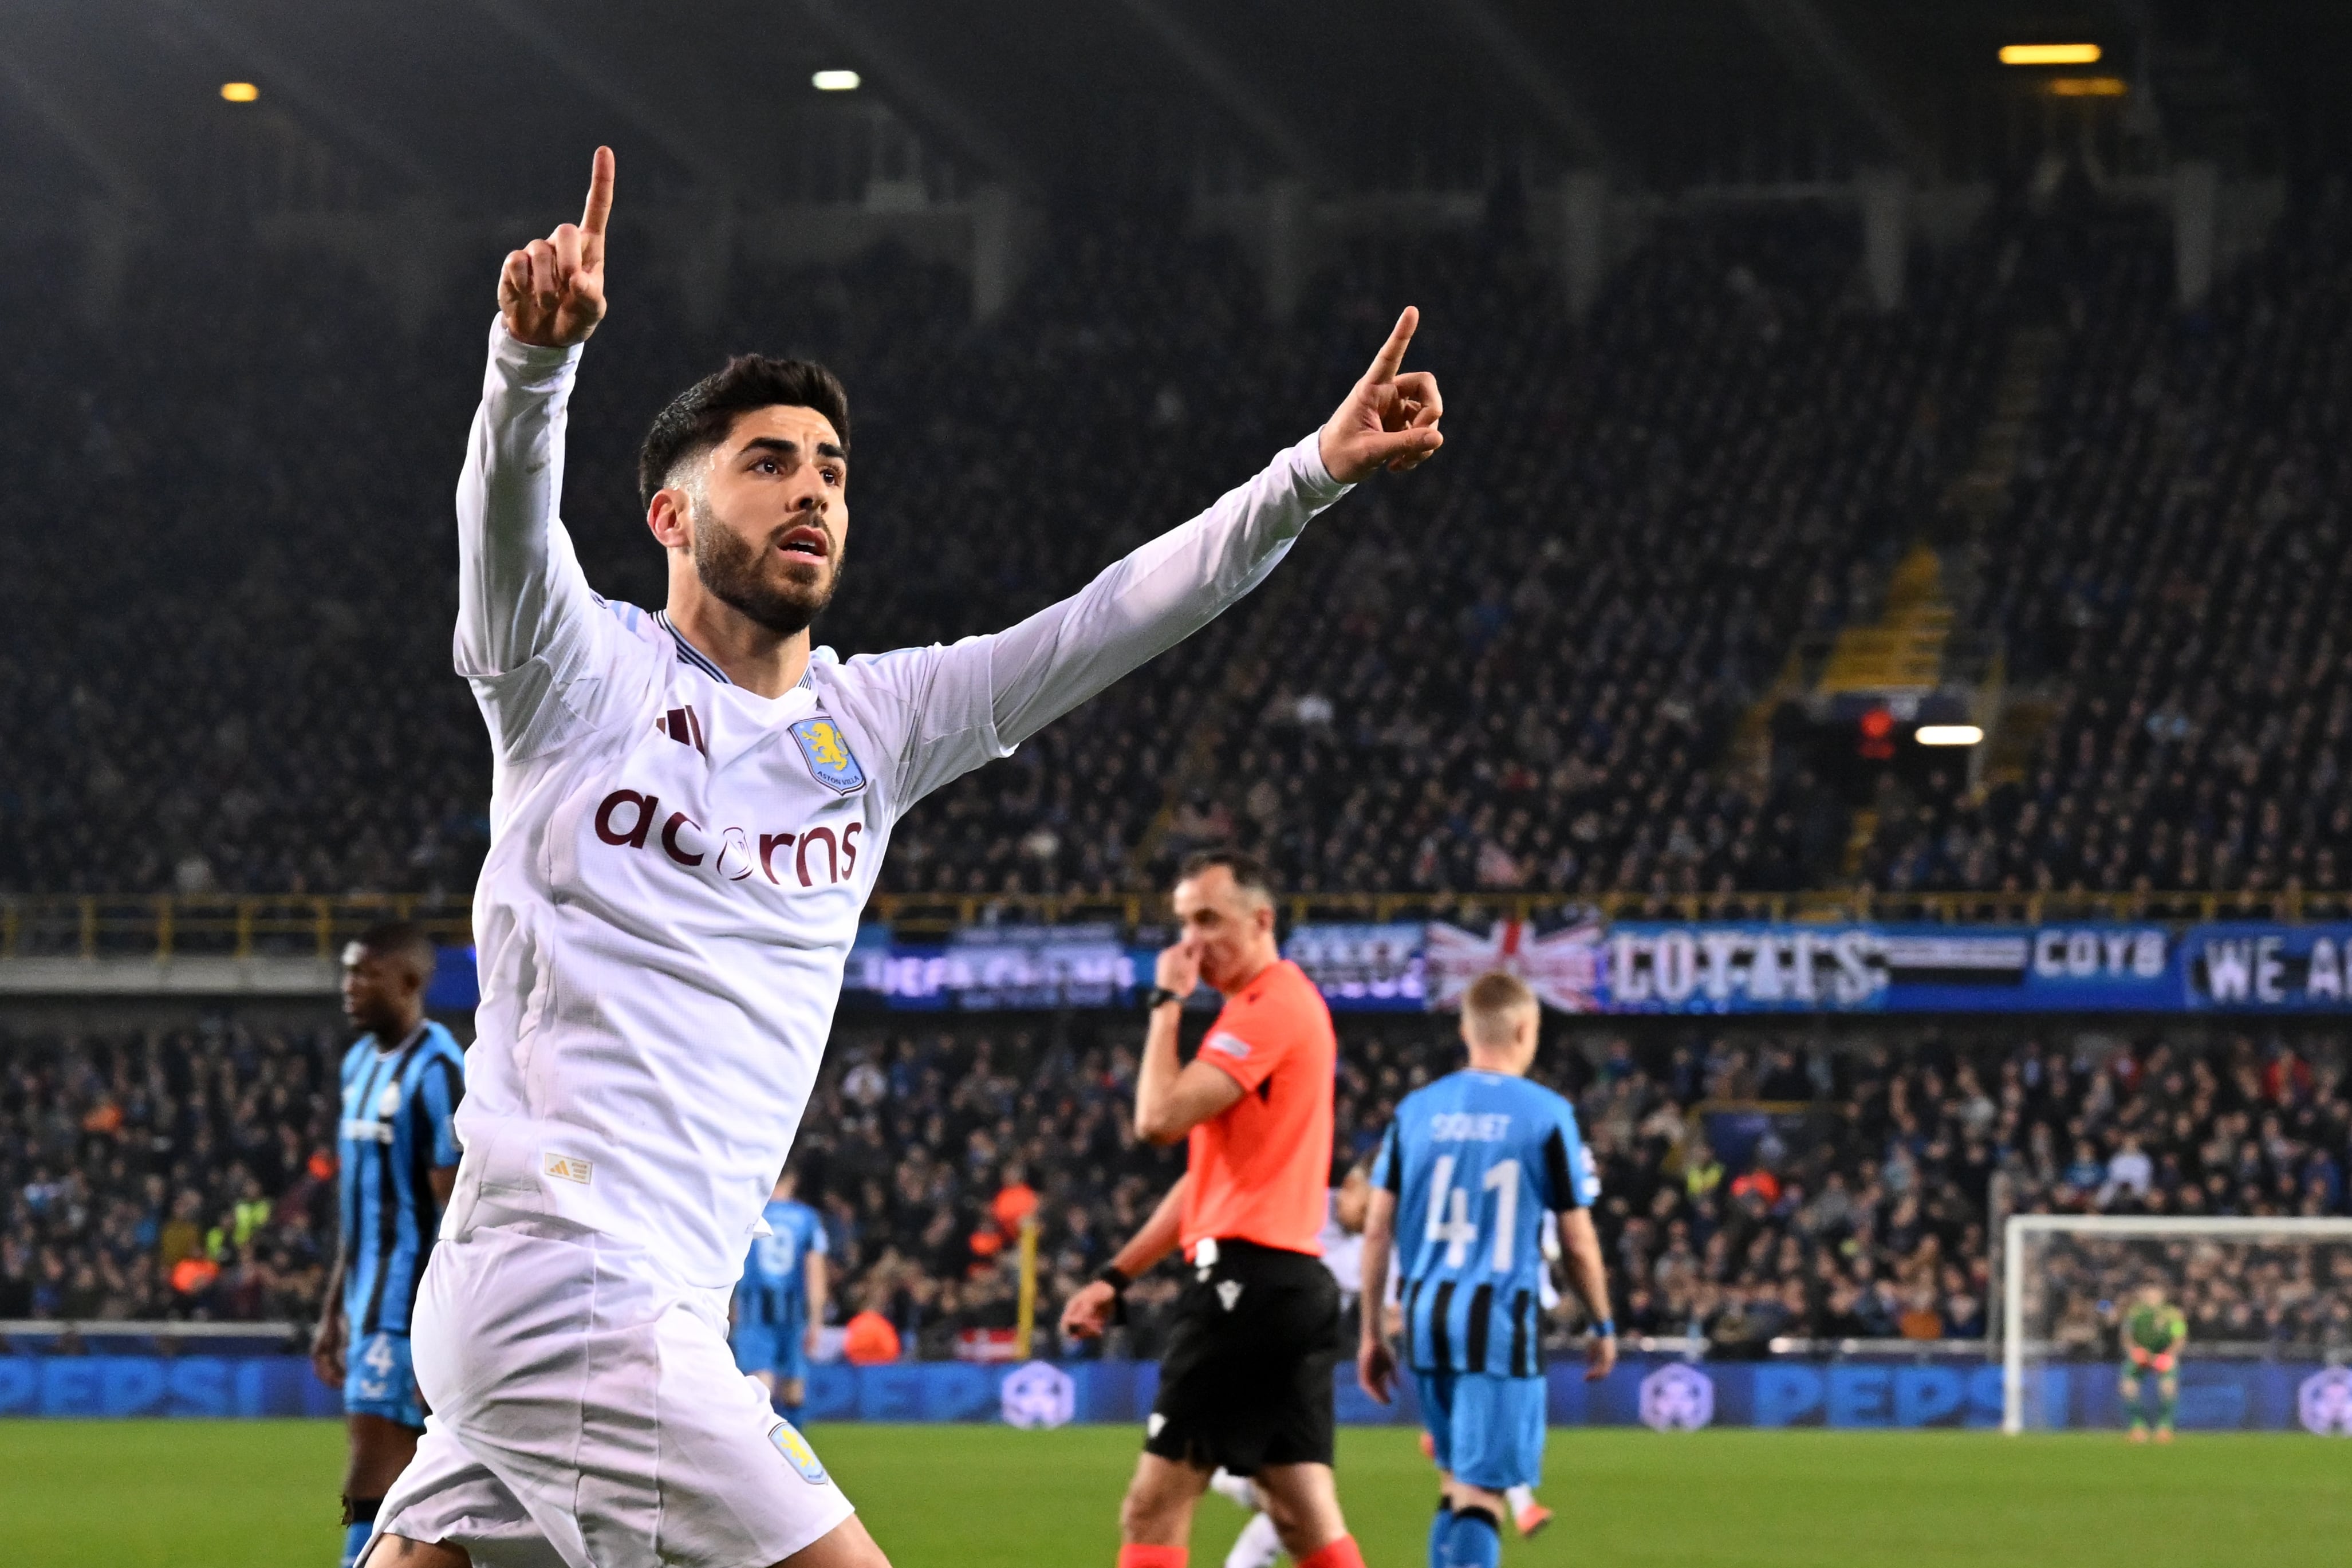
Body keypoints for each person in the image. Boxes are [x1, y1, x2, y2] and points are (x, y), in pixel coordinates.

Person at [365, 148, 1443, 1568]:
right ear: (669, 516)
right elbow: (503, 528)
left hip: (624, 1306)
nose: (810, 490)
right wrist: (531, 366)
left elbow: (1110, 616)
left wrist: (1307, 478)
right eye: (765, 462)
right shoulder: (575, 675)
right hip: (568, 1286)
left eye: (829, 468)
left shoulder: (871, 728)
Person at [1061, 851, 1369, 1568]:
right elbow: (1204, 1179)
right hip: (1287, 1284)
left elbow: (1157, 1118)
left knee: (1153, 1505)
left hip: (1245, 1285)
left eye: (1208, 919)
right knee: (1300, 1513)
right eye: (1181, 923)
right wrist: (1117, 1273)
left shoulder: (1270, 1007)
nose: (1190, 942)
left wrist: (1165, 1006)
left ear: (1261, 920)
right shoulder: (1261, 1011)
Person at [1358, 971, 1616, 1568]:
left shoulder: (1415, 1111)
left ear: (1465, 1029)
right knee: (1482, 1489)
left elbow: (1376, 1230)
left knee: (1454, 1481)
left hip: (1425, 1319)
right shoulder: (1548, 1113)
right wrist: (1602, 1323)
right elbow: (1576, 1240)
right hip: (1497, 1324)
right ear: (1526, 1029)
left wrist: (1372, 1332)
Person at [310, 922, 466, 1568]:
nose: (349, 987)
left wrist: (445, 1328)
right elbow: (359, 1203)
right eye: (347, 972)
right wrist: (334, 1306)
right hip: (368, 1301)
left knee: (373, 1469)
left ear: (409, 981)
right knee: (387, 1472)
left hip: (410, 1307)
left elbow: (457, 1208)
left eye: (364, 974)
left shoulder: (439, 1069)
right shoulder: (357, 1065)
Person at [1208, 1164, 1372, 1568]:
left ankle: (1234, 1482)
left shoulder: (1378, 1240)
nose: (1374, 1219)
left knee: (1297, 1503)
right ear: (1350, 1186)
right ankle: (1232, 1476)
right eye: (1368, 1208)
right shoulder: (1304, 1206)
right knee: (1305, 1499)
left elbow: (1386, 1303)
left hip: (1306, 1372)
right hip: (1259, 1356)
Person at [734, 1170, 829, 1419]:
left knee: (759, 1387)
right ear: (792, 1181)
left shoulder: (749, 1214)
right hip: (794, 1313)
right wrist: (817, 1321)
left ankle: (758, 1454)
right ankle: (791, 1455)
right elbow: (815, 1274)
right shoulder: (807, 1219)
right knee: (794, 1386)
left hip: (753, 1313)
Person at [2118, 1278, 2188, 1443]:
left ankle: (2165, 1427)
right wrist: (2134, 1352)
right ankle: (2138, 1426)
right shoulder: (2134, 1313)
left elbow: (2180, 1338)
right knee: (2128, 1387)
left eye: (2155, 1294)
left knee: (2168, 1387)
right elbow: (2126, 1337)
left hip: (2163, 1355)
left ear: (2163, 1296)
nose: (2152, 1297)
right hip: (2141, 1354)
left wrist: (2168, 1355)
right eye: (2148, 1294)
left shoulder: (2173, 1314)